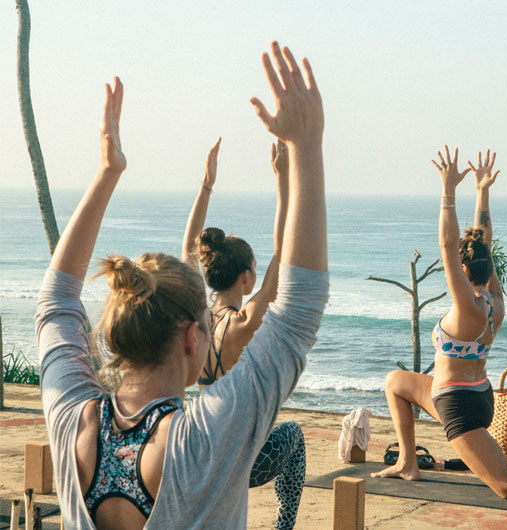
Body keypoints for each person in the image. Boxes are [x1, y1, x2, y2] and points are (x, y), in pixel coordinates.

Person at [36, 41, 328, 529]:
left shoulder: (71, 423)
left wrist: (108, 172)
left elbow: (56, 301)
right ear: (191, 336)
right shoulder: (209, 434)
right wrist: (307, 146)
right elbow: (297, 312)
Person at [372, 147, 507, 499]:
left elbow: (447, 242)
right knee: (396, 382)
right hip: (476, 394)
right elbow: (483, 241)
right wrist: (482, 191)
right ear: (488, 266)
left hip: (458, 407)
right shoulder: (495, 302)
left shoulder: (466, 307)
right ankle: (408, 462)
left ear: (463, 270)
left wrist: (449, 191)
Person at [180, 132, 304, 527]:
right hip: (242, 461)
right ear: (247, 276)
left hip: (197, 454)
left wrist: (207, 184)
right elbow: (284, 249)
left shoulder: (197, 319)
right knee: (295, 437)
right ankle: (283, 527)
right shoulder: (244, 323)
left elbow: (187, 249)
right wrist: (283, 179)